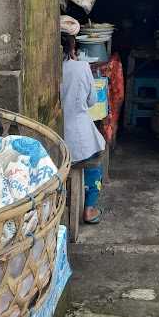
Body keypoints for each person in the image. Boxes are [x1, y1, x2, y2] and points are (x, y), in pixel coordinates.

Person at [60, 18, 105, 224]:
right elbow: (91, 100)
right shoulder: (81, 68)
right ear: (73, 46)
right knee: (96, 160)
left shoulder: (43, 71)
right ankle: (89, 207)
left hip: (54, 140)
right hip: (77, 140)